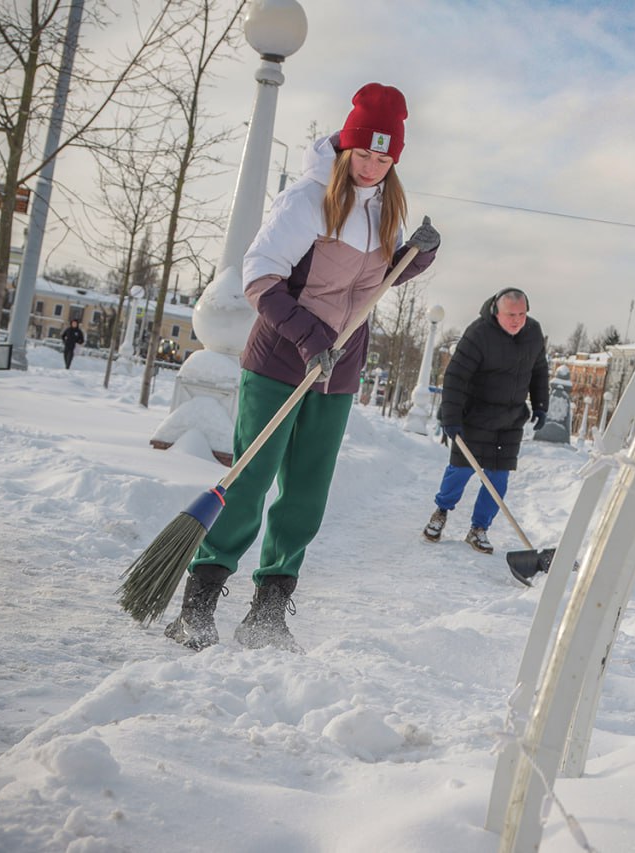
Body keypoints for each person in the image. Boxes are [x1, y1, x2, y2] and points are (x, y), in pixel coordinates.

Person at [164, 83, 440, 653]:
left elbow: (368, 289)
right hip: (280, 360)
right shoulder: (307, 199)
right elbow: (259, 277)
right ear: (345, 146)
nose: (370, 167)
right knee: (251, 480)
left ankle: (267, 609)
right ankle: (199, 601)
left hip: (338, 370)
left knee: (306, 494)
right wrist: (310, 338)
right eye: (363, 153)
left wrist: (415, 259)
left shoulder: (385, 208)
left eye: (384, 159)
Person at [423, 288, 548, 554]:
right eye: (510, 314)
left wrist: (540, 404)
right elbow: (456, 376)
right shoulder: (478, 333)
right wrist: (451, 417)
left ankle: (479, 529)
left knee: (497, 479)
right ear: (496, 312)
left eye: (522, 314)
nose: (517, 320)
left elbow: (539, 371)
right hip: (475, 417)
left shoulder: (533, 333)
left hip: (510, 420)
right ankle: (441, 511)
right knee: (460, 470)